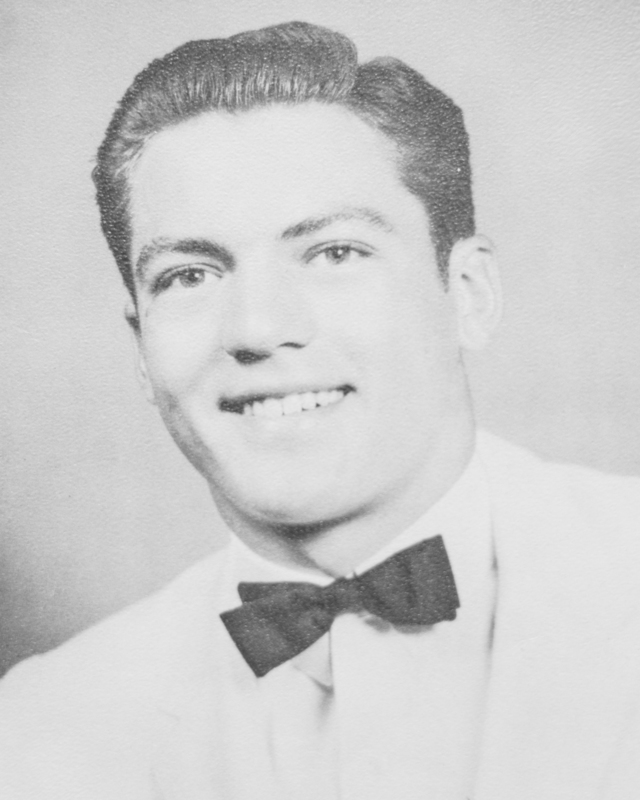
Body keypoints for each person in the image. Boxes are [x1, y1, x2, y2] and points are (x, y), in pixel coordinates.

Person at [0, 20, 639, 800]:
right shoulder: (38, 732)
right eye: (190, 276)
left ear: (468, 295)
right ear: (141, 347)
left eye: (335, 254)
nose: (259, 329)